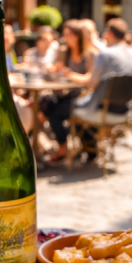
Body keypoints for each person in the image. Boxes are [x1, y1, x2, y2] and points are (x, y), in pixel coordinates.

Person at [39, 20, 96, 164]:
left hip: (83, 97)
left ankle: (63, 149)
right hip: (65, 93)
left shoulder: (90, 54)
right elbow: (58, 69)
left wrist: (71, 75)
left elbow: (89, 79)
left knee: (55, 112)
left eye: (68, 34)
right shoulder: (64, 52)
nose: (65, 38)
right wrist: (54, 69)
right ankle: (59, 146)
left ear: (77, 36)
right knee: (46, 104)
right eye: (64, 34)